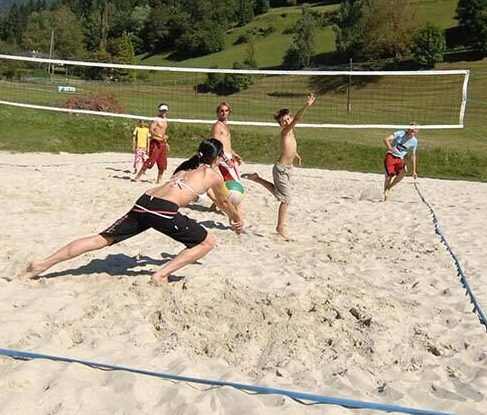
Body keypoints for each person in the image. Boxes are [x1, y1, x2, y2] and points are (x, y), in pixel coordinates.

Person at [20, 139, 244, 285]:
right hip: (163, 211)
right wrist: (237, 219)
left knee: (100, 239)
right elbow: (224, 201)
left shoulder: (185, 167)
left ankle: (42, 264)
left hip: (145, 201)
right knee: (207, 242)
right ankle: (160, 275)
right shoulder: (213, 174)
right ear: (216, 158)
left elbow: (206, 193)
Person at [243, 93, 315, 240]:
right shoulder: (285, 132)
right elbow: (298, 119)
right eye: (283, 121)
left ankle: (257, 179)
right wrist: (307, 106)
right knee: (286, 199)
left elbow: (289, 147)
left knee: (279, 193)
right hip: (281, 169)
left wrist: (296, 154)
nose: (287, 122)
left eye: (288, 118)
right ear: (280, 124)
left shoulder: (291, 132)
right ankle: (280, 226)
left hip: (288, 168)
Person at [134, 103, 170, 183]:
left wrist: (165, 141)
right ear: (159, 110)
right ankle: (138, 176)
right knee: (151, 161)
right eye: (162, 110)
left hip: (162, 143)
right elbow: (151, 129)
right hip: (155, 142)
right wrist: (159, 135)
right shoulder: (156, 119)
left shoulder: (165, 119)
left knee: (162, 162)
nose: (164, 112)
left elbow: (163, 132)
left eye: (165, 111)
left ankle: (159, 180)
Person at [383, 123, 419, 201]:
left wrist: (414, 171)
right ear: (409, 129)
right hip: (391, 156)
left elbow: (413, 156)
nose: (414, 130)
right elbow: (386, 139)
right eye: (412, 128)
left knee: (403, 171)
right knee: (389, 176)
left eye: (416, 129)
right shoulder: (400, 133)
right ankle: (386, 196)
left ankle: (388, 188)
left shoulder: (414, 141)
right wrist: (390, 148)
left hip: (399, 159)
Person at [211, 101, 243, 183]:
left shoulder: (225, 126)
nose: (224, 113)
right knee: (235, 183)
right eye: (221, 110)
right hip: (223, 157)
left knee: (232, 182)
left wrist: (234, 155)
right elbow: (217, 146)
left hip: (228, 156)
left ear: (229, 112)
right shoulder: (217, 126)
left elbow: (226, 145)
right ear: (218, 112)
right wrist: (226, 160)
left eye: (226, 110)